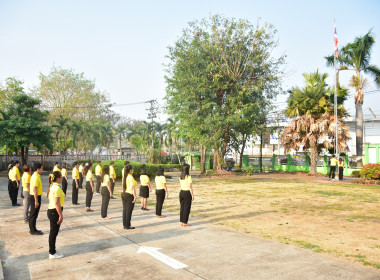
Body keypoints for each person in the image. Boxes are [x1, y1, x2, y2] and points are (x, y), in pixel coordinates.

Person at [47, 171, 65, 259]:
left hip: (53, 211)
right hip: (54, 211)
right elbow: (57, 203)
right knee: (53, 233)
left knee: (53, 232)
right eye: (61, 176)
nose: (62, 178)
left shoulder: (53, 186)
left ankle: (52, 251)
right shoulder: (56, 188)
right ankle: (52, 253)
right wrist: (60, 215)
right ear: (58, 178)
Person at [29, 163, 43, 235]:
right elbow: (34, 189)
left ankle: (33, 228)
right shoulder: (35, 177)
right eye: (41, 168)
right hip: (35, 196)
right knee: (33, 214)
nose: (42, 170)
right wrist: (36, 200)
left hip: (36, 196)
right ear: (38, 169)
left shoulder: (37, 176)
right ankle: (32, 230)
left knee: (34, 214)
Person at [122, 164, 137, 229]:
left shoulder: (125, 176)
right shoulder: (130, 177)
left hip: (124, 193)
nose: (133, 170)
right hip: (129, 195)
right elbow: (132, 188)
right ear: (130, 170)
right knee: (128, 211)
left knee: (125, 210)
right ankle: (127, 225)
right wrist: (135, 196)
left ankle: (125, 224)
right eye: (132, 169)